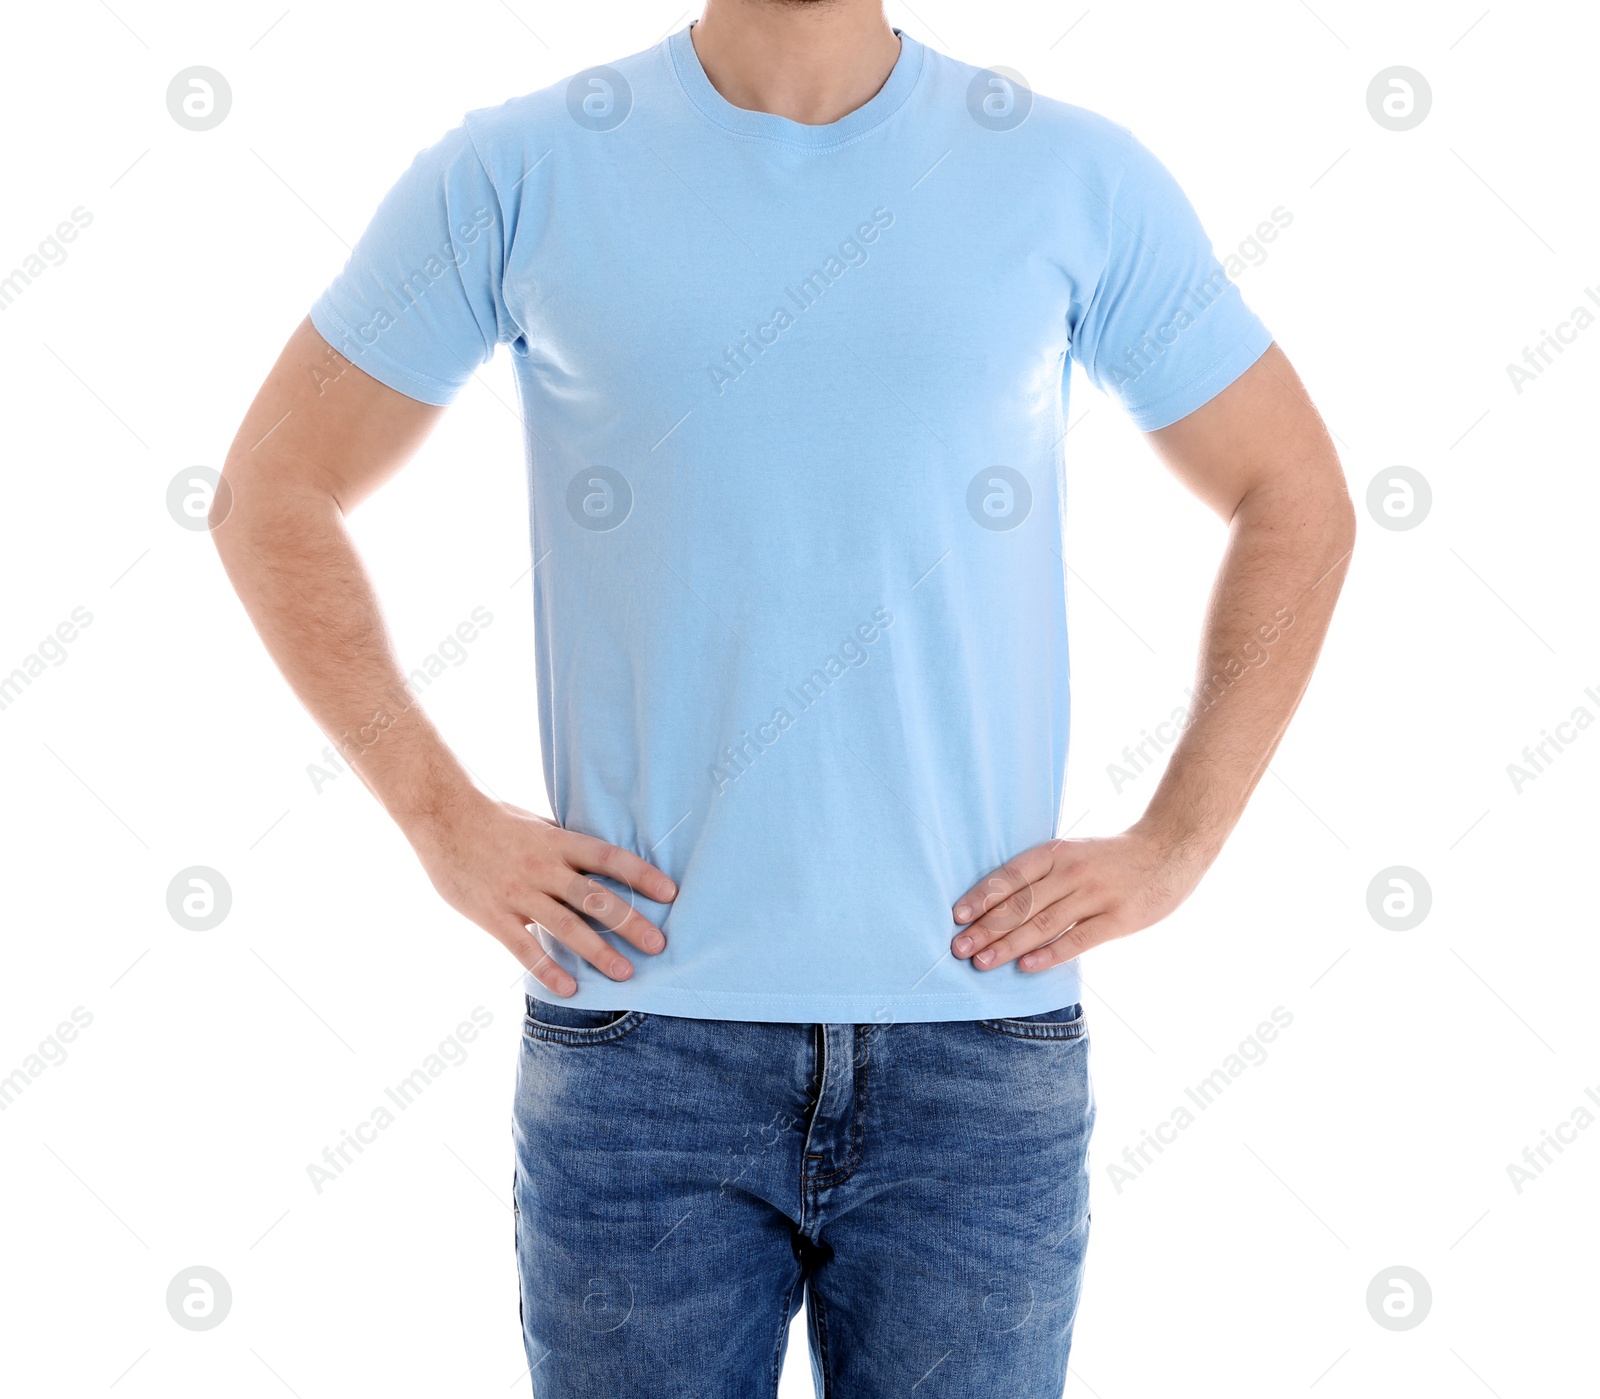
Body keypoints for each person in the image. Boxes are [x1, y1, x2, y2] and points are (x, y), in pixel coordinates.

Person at [212, 0, 1354, 1393]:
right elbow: (271, 490)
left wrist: (1179, 843)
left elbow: (1293, 495)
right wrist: (444, 821)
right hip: (644, 1049)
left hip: (977, 1044)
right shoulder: (521, 170)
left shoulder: (1069, 175)